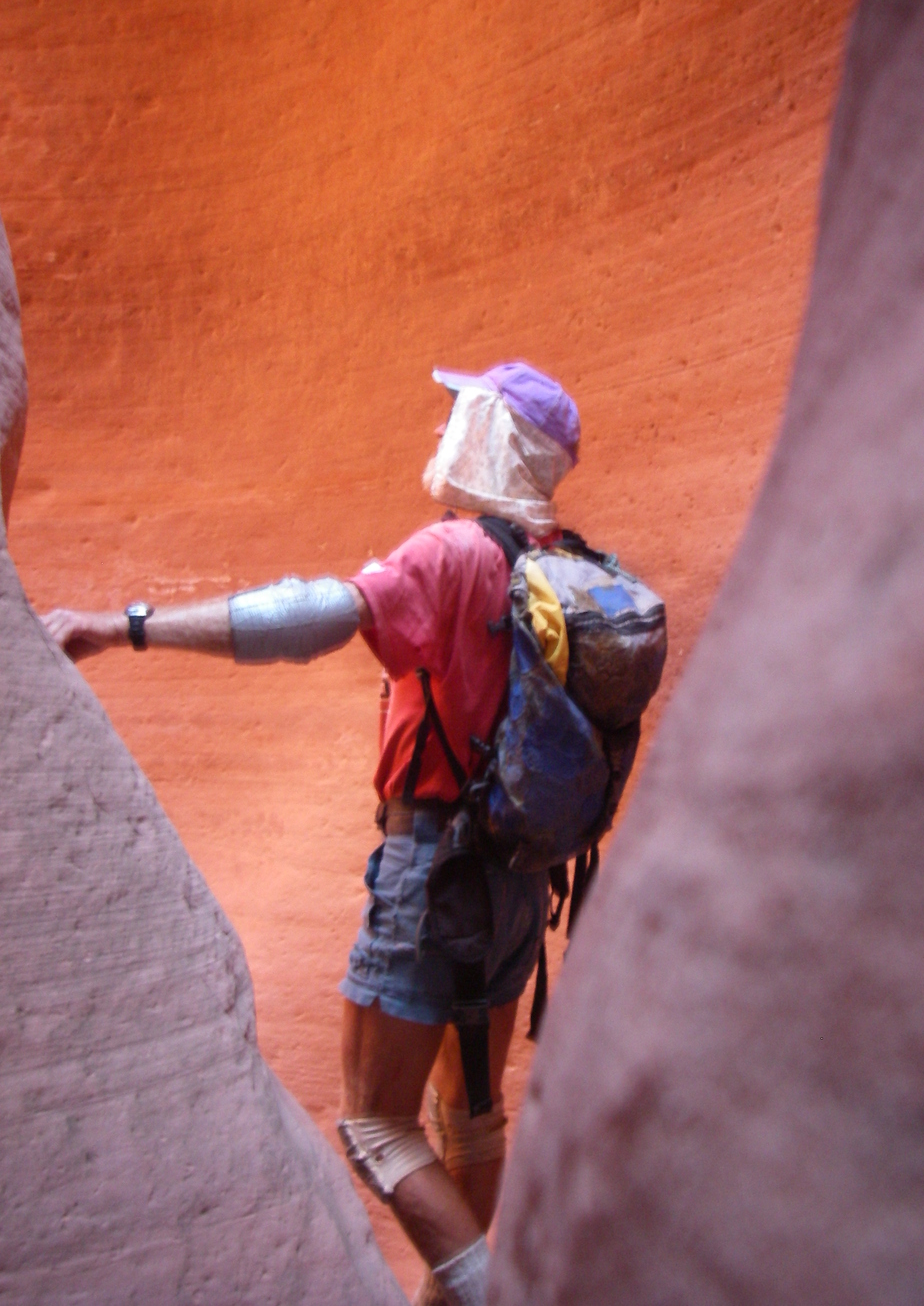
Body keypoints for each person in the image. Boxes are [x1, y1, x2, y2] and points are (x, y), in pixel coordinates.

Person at [44, 361, 582, 1306]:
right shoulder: (563, 562)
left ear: (489, 437)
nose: (441, 430)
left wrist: (124, 627)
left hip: (435, 873)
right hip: (518, 879)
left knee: (378, 1125)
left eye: (459, 415)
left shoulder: (455, 554)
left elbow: (307, 619)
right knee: (472, 1116)